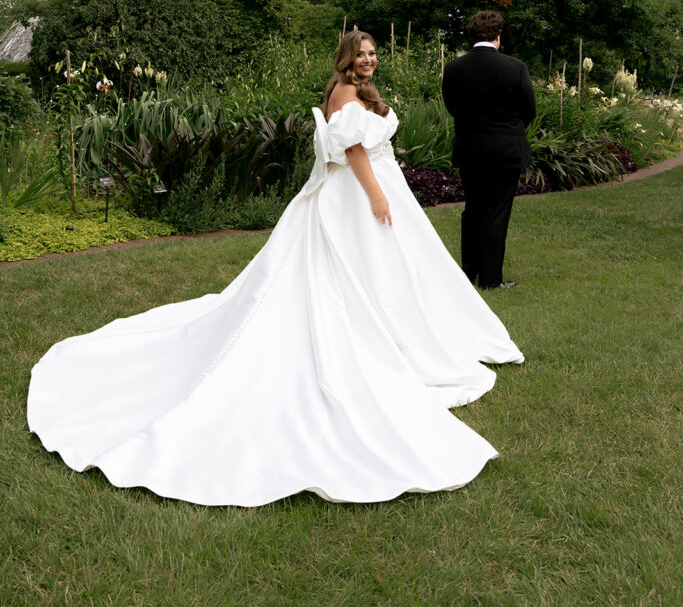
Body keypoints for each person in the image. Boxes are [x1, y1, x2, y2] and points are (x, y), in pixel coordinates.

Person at [27, 31, 524, 507]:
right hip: (357, 195)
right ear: (346, 58)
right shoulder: (347, 97)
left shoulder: (352, 91)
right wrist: (376, 195)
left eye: (373, 54)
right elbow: (352, 152)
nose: (369, 60)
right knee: (354, 272)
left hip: (359, 193)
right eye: (362, 54)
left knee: (382, 273)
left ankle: (390, 327)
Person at [441, 11, 536, 290]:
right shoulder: (515, 67)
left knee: (473, 210)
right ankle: (491, 279)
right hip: (506, 151)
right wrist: (509, 129)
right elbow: (529, 110)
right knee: (496, 212)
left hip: (470, 148)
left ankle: (468, 274)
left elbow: (452, 106)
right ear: (498, 35)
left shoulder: (454, 68)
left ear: (472, 35)